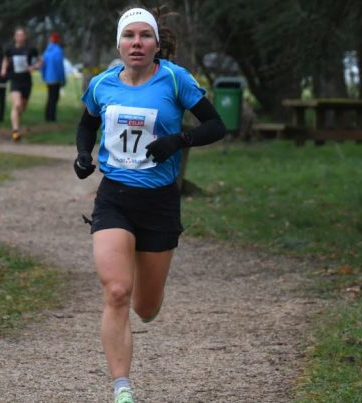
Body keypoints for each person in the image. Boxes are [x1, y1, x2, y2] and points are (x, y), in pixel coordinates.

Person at [74, 7, 225, 403]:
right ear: (119, 44)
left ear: (157, 44)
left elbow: (216, 125)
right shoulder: (103, 84)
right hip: (114, 198)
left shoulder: (175, 80)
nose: (136, 43)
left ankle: (149, 301)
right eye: (129, 36)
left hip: (159, 203)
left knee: (144, 306)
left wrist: (179, 140)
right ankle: (122, 388)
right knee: (117, 292)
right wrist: (82, 155)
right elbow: (87, 122)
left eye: (144, 36)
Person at [0, 27, 40, 141]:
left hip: (26, 81)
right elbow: (5, 60)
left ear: (25, 37)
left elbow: (40, 61)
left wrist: (33, 67)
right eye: (17, 35)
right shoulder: (10, 50)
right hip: (15, 80)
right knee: (16, 105)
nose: (19, 37)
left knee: (22, 107)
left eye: (22, 35)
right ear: (15, 37)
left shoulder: (30, 49)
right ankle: (15, 131)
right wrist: (3, 69)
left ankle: (16, 122)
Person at [39, 32, 65, 122]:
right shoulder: (58, 50)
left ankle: (47, 116)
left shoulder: (46, 51)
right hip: (55, 78)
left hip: (48, 78)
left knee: (50, 97)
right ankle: (52, 117)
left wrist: (44, 76)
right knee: (54, 97)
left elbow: (42, 65)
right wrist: (62, 79)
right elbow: (59, 66)